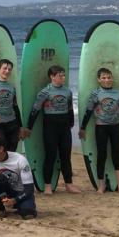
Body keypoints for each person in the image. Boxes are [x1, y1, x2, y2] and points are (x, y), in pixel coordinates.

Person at [23, 65, 82, 194]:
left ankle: (69, 184)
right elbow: (35, 110)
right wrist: (29, 127)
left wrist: (72, 122)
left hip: (65, 128)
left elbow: (70, 109)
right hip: (50, 127)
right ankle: (48, 185)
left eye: (64, 75)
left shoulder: (68, 92)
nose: (63, 77)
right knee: (51, 155)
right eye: (60, 75)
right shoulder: (44, 92)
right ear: (52, 76)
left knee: (66, 156)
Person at [79, 68, 119, 194]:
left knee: (116, 155)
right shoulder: (95, 94)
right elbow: (88, 111)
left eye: (109, 77)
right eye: (104, 78)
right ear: (99, 80)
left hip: (116, 127)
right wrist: (82, 128)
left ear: (112, 78)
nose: (107, 80)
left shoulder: (118, 94)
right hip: (101, 128)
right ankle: (101, 186)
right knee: (102, 155)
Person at [0, 135, 37, 219]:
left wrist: (14, 200)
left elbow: (29, 189)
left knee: (28, 213)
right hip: (4, 195)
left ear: (0, 149)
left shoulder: (20, 160)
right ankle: (2, 209)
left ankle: (20, 206)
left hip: (20, 193)